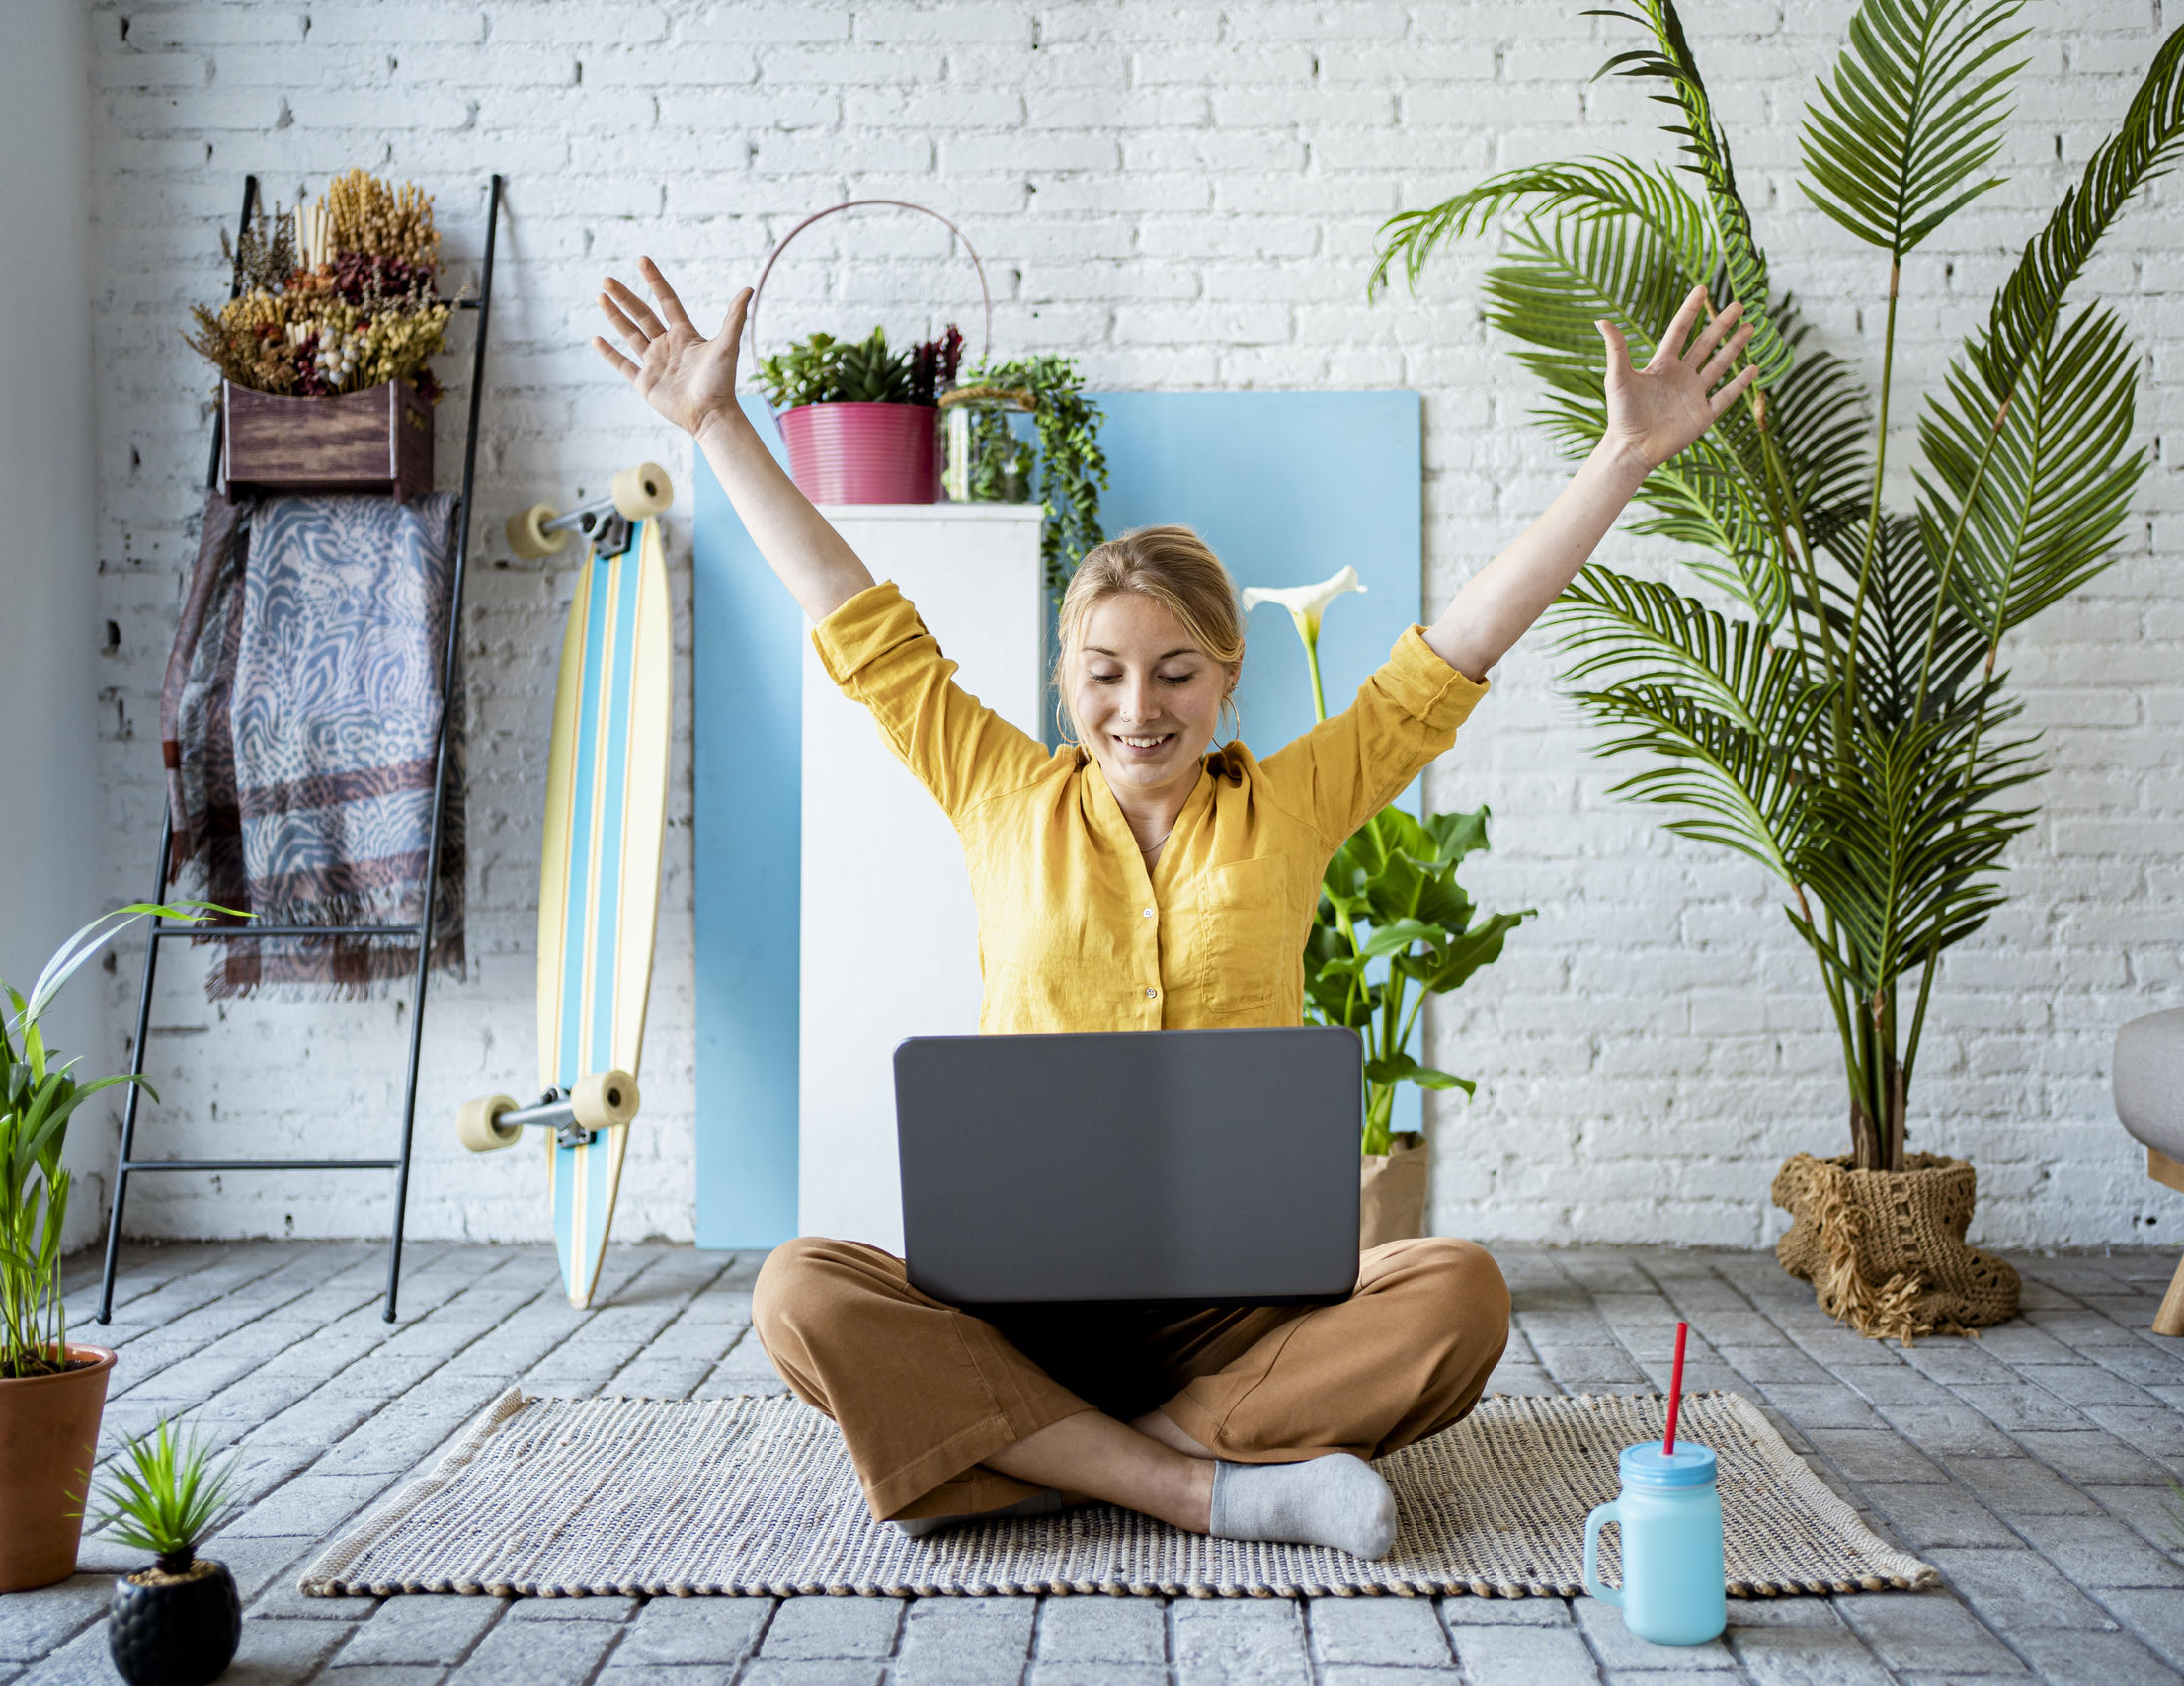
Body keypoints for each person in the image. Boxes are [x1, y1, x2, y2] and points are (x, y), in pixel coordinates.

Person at [594, 259, 1756, 1560]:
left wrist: (1621, 461)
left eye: (1173, 672)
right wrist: (715, 422)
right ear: (1063, 679)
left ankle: (1029, 1450)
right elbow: (859, 626)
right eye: (1102, 673)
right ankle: (1209, 1482)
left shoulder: (1296, 804)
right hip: (1017, 1306)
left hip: (1239, 1322)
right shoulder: (996, 791)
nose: (1136, 707)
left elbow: (1458, 652)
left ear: (1227, 679)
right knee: (800, 1290)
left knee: (1459, 1293)